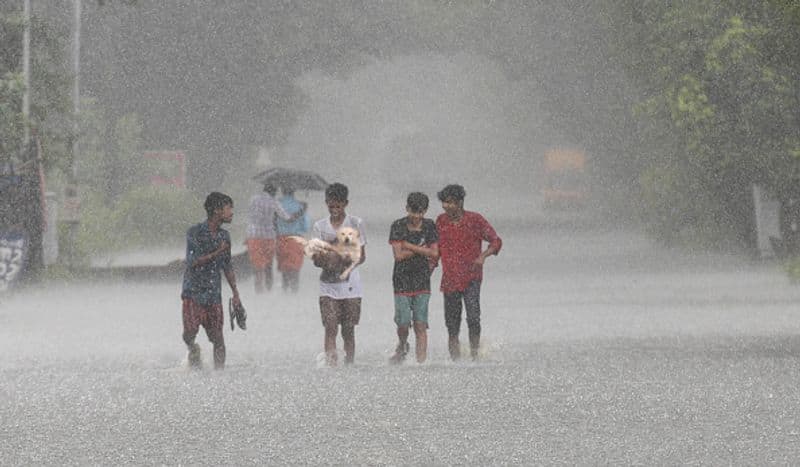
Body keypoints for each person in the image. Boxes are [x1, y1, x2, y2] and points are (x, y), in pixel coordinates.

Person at [435, 184, 502, 361]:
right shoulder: (440, 221)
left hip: (472, 278)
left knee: (473, 318)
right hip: (449, 279)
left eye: (450, 203)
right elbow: (436, 249)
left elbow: (495, 241)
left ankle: (474, 355)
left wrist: (483, 256)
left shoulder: (475, 220)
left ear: (460, 202)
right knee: (452, 324)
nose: (446, 206)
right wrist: (429, 266)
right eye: (444, 203)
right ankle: (455, 360)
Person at [180, 192, 242, 370]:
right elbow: (192, 262)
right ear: (216, 211)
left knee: (218, 337)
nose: (232, 212)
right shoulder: (195, 233)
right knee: (190, 332)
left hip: (213, 293)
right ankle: (193, 348)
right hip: (193, 291)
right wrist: (217, 252)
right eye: (228, 208)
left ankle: (219, 377)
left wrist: (236, 293)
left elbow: (227, 266)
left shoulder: (224, 236)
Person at [311, 182, 366, 366]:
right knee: (330, 327)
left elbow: (361, 257)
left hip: (351, 287)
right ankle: (331, 366)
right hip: (328, 286)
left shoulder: (355, 223)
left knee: (348, 330)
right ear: (326, 203)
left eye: (338, 205)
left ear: (346, 203)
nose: (334, 209)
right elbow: (316, 259)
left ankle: (349, 365)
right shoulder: (319, 227)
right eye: (331, 205)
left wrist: (342, 255)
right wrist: (326, 257)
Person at [388, 192, 439, 364]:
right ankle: (402, 344)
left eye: (420, 213)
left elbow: (434, 252)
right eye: (413, 212)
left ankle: (420, 363)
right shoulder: (398, 226)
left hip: (422, 280)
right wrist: (420, 249)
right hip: (401, 280)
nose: (416, 217)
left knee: (420, 324)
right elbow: (398, 256)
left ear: (425, 211)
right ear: (407, 208)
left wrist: (408, 245)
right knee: (402, 323)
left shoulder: (430, 226)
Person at [246, 183, 303, 293]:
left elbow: (250, 214)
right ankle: (269, 289)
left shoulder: (253, 199)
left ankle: (259, 291)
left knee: (257, 265)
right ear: (274, 192)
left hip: (253, 235)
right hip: (268, 237)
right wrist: (301, 211)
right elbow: (287, 218)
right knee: (268, 265)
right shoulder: (274, 202)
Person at [275, 187, 310, 292]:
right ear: (294, 192)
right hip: (296, 239)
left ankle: (285, 289)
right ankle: (295, 290)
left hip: (281, 238)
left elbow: (273, 222)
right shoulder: (300, 206)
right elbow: (305, 226)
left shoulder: (277, 204)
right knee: (295, 266)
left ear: (282, 191)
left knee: (284, 265)